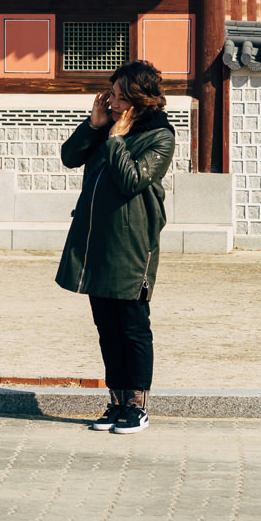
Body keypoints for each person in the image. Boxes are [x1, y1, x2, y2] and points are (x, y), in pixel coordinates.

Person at [55, 59, 176, 436]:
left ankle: (137, 406)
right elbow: (69, 157)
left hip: (131, 244)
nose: (113, 104)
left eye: (121, 98)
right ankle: (117, 401)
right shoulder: (105, 126)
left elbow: (131, 181)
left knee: (133, 327)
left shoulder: (160, 136)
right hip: (96, 241)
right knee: (106, 326)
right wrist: (94, 125)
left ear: (140, 101)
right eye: (112, 97)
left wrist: (115, 140)